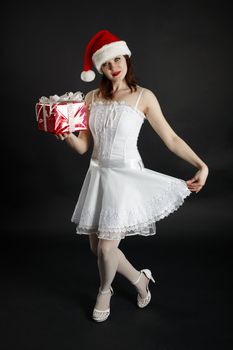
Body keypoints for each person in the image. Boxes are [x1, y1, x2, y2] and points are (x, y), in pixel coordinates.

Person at [55, 29, 209, 322]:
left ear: (126, 58)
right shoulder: (91, 98)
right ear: (100, 68)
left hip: (126, 177)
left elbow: (172, 138)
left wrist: (201, 164)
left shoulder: (143, 97)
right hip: (99, 176)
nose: (114, 66)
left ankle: (104, 290)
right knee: (96, 247)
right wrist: (65, 134)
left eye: (118, 59)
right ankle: (140, 280)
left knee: (107, 248)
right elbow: (83, 146)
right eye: (107, 63)